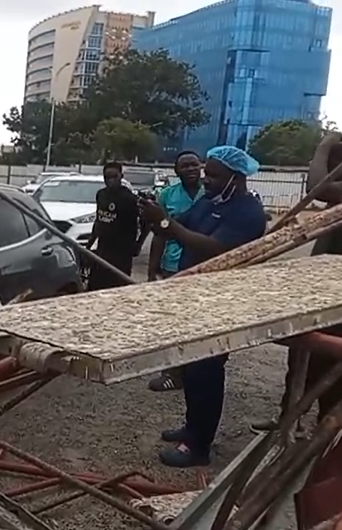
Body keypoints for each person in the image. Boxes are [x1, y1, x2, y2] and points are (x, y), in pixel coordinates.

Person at [139, 145, 267, 468]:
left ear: (235, 178)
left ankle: (199, 446)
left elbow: (214, 248)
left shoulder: (248, 212)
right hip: (193, 298)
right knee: (191, 369)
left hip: (219, 302)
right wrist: (154, 216)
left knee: (207, 371)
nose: (206, 179)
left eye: (213, 174)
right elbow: (177, 224)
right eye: (207, 173)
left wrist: (168, 226)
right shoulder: (209, 203)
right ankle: (192, 427)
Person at [251, 134, 342, 433]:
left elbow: (319, 188)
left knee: (339, 364)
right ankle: (290, 420)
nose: (327, 170)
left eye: (331, 164)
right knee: (303, 356)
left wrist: (322, 145)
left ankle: (327, 430)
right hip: (324, 289)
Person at [146, 150, 205, 393]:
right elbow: (159, 233)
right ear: (176, 171)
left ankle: (196, 371)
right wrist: (152, 269)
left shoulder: (211, 194)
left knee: (200, 322)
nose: (191, 169)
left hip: (205, 266)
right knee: (173, 321)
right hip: (174, 266)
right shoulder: (167, 195)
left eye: (194, 164)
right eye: (185, 166)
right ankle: (171, 372)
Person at [86, 162, 144, 291]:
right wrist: (89, 245)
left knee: (118, 288)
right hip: (102, 249)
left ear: (121, 176)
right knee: (95, 287)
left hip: (122, 253)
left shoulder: (130, 199)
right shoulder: (101, 195)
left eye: (114, 177)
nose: (110, 181)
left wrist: (138, 244)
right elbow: (99, 219)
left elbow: (146, 222)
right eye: (107, 177)